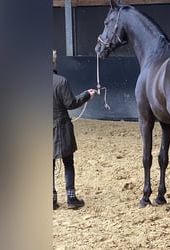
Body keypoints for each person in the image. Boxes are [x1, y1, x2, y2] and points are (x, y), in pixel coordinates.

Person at [53, 50, 96, 210]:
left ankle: (51, 198)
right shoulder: (61, 81)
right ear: (53, 63)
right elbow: (71, 103)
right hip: (62, 128)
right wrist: (87, 95)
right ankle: (71, 197)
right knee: (68, 163)